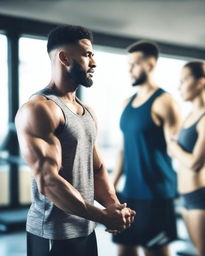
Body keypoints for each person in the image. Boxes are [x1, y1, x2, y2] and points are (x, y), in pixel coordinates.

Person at [15, 25, 135, 256]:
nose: (94, 62)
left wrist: (112, 206)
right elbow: (49, 182)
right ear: (64, 57)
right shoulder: (40, 109)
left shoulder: (86, 111)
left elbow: (97, 169)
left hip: (84, 228)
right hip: (52, 233)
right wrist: (101, 216)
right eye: (87, 54)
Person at [112, 40, 181, 256]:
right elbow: (122, 149)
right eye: (128, 64)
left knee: (155, 251)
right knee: (125, 249)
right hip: (129, 193)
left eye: (134, 64)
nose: (129, 69)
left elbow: (175, 148)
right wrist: (111, 187)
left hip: (156, 193)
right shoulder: (126, 103)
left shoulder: (165, 102)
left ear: (150, 64)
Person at [168, 61, 205, 256]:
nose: (179, 87)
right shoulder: (190, 116)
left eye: (184, 81)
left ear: (200, 82)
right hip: (186, 196)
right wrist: (173, 148)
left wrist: (174, 147)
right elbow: (173, 151)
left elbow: (196, 163)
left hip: (203, 197)